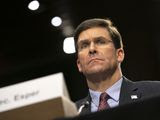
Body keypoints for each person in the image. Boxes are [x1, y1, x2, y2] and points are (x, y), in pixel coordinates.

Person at [74, 18, 160, 115]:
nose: (92, 49)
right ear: (79, 64)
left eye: (100, 41)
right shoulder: (70, 113)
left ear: (119, 54)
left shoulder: (156, 92)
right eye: (84, 45)